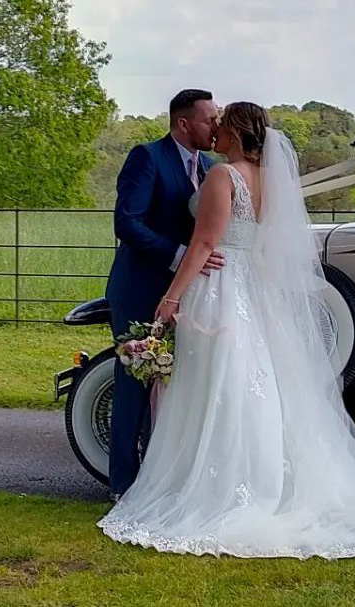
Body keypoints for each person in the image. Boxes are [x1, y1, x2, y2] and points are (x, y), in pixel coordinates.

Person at [97, 102, 355, 559]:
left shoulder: (221, 175)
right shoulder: (270, 180)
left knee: (214, 382)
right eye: (208, 119)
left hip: (218, 285)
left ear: (234, 131)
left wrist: (172, 298)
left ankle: (211, 486)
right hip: (252, 287)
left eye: (220, 122)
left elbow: (206, 243)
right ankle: (259, 478)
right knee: (254, 383)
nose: (214, 129)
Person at [105, 89, 225, 498]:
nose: (217, 126)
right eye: (210, 119)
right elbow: (128, 222)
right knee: (135, 382)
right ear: (183, 123)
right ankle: (122, 484)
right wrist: (178, 255)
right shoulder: (147, 157)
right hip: (141, 287)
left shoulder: (212, 167)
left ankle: (164, 480)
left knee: (179, 387)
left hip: (188, 294)